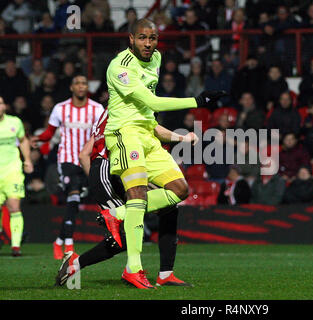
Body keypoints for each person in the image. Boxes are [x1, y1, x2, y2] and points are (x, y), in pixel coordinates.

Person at [103, 18, 225, 289]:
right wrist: (198, 100)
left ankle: (119, 215)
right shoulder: (120, 67)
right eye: (143, 38)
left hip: (148, 134)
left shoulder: (156, 58)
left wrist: (171, 134)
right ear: (131, 39)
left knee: (180, 189)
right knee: (137, 193)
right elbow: (152, 101)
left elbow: (148, 111)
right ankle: (133, 268)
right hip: (125, 135)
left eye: (153, 38)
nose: (149, 44)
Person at [55, 109, 198, 287]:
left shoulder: (122, 104)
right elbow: (86, 153)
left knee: (169, 208)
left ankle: (165, 274)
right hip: (107, 171)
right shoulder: (123, 106)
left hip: (128, 166)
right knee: (121, 238)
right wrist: (98, 185)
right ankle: (75, 264)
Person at [31, 75, 105, 259]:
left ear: (87, 88)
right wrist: (38, 139)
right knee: (73, 196)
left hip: (88, 160)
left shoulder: (96, 109)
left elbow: (101, 135)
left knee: (75, 201)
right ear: (72, 87)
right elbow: (50, 132)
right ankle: (69, 247)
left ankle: (58, 241)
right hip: (67, 159)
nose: (81, 86)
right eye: (78, 83)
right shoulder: (60, 108)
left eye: (84, 84)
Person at [0, 96, 33, 256]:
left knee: (14, 206)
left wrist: (27, 160)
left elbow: (23, 140)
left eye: (0, 103)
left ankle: (15, 246)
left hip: (12, 171)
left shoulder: (14, 122)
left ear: (4, 106)